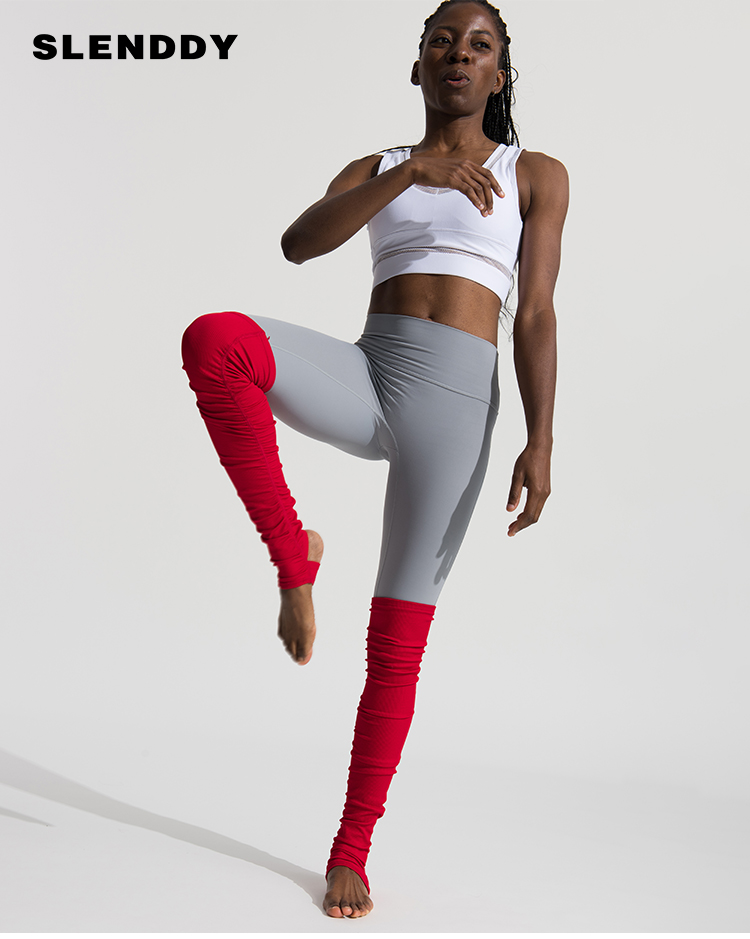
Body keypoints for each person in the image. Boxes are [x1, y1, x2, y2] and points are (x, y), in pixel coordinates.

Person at [180, 0, 568, 919]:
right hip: (368, 371)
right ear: (418, 65)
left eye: (479, 45)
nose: (459, 55)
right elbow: (298, 245)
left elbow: (535, 311)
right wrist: (412, 174)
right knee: (215, 341)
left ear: (499, 72)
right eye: (442, 42)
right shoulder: (377, 166)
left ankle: (350, 848)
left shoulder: (534, 173)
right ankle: (293, 555)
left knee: (396, 642)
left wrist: (542, 437)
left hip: (454, 408)